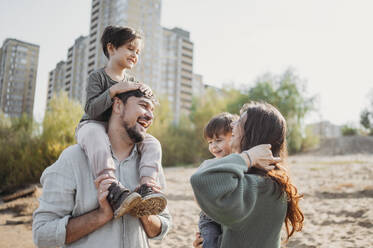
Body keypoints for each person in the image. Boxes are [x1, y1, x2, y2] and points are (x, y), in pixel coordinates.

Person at [33, 89, 171, 247]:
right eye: (143, 105)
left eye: (152, 110)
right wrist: (101, 215)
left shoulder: (150, 163)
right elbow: (42, 235)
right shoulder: (73, 159)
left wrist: (144, 213)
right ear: (118, 105)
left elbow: (162, 228)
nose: (150, 116)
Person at [76, 25, 166, 218]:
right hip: (93, 125)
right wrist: (114, 90)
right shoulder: (97, 76)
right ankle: (112, 188)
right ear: (111, 48)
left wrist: (147, 93)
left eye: (138, 52)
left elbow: (137, 107)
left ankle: (147, 186)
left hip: (119, 132)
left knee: (152, 143)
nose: (135, 55)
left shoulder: (132, 80)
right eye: (130, 48)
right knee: (95, 135)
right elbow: (91, 109)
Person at [191, 102, 304, 248]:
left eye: (239, 122)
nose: (232, 126)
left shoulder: (257, 187)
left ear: (252, 133)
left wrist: (248, 157)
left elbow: (200, 179)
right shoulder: (269, 183)